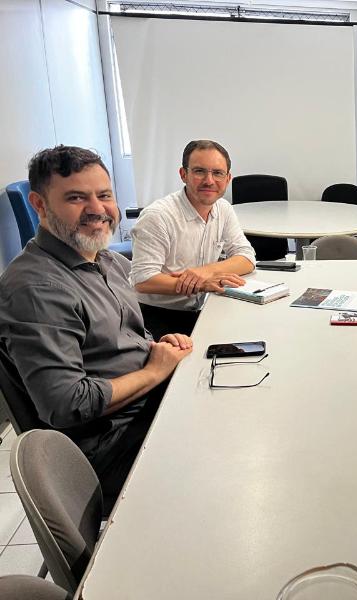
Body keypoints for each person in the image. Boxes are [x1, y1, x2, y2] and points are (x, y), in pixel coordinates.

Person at [0, 145, 193, 503]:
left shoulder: (106, 260)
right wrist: (154, 370)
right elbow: (65, 404)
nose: (97, 209)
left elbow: (120, 342)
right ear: (39, 206)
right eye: (76, 198)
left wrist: (156, 346)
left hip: (147, 410)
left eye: (103, 195)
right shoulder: (37, 288)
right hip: (111, 449)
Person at [130, 139, 256, 340]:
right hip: (156, 314)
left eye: (217, 173)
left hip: (205, 306)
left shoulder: (223, 208)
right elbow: (143, 280)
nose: (209, 181)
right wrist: (201, 283)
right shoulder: (158, 216)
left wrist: (203, 274)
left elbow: (247, 258)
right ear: (183, 174)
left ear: (228, 178)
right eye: (199, 171)